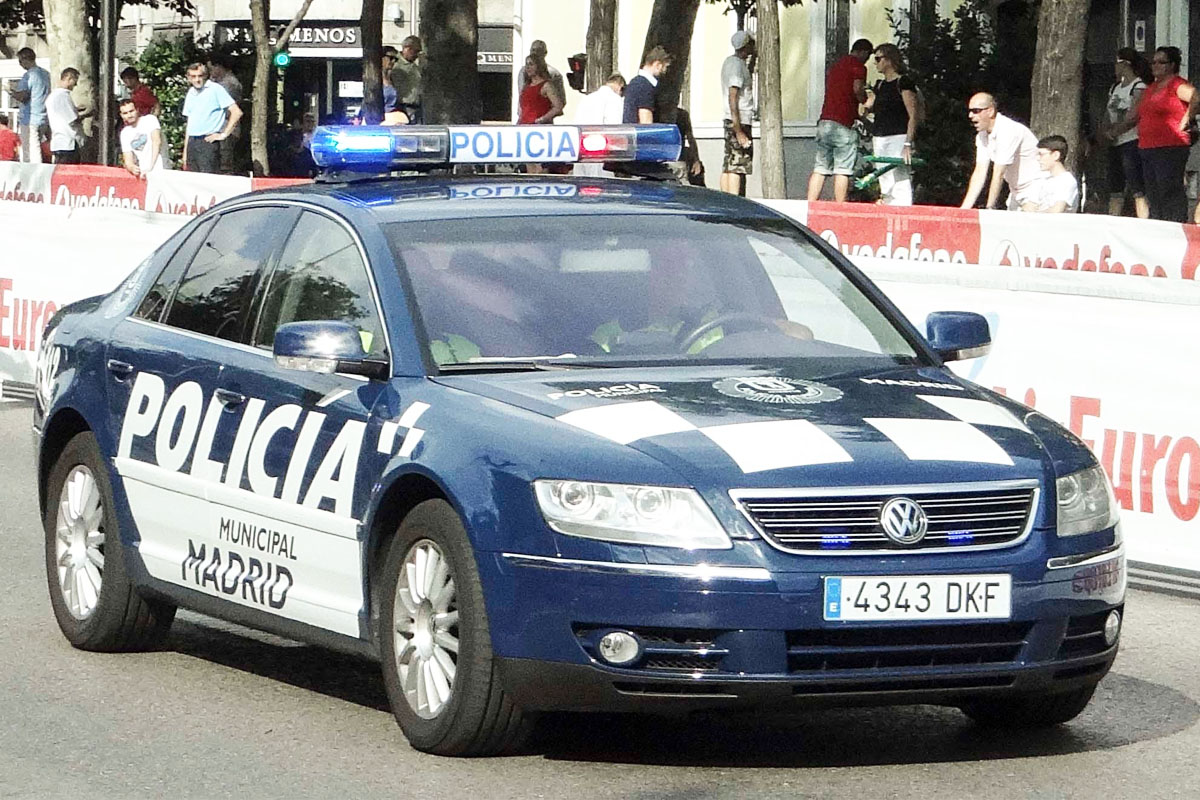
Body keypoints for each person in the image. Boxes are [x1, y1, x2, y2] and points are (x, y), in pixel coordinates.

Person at [1133, 46, 1198, 222]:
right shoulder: (1151, 88)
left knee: (1168, 189)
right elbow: (1136, 114)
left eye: (1161, 62)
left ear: (1172, 65)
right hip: (1147, 146)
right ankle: (1159, 225)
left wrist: (1186, 118)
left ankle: (1175, 225)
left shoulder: (1176, 84)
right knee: (1153, 193)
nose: (1155, 65)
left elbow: (1196, 97)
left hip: (1170, 145)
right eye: (1153, 62)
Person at [808, 38, 872, 202]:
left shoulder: (836, 66)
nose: (868, 60)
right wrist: (866, 101)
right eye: (869, 55)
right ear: (863, 52)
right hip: (843, 124)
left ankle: (810, 204)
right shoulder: (858, 67)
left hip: (825, 121)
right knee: (842, 169)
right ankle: (839, 207)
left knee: (820, 168)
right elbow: (857, 89)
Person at [959, 93, 1044, 210]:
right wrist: (964, 210)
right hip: (1016, 192)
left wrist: (989, 208)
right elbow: (980, 172)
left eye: (976, 111)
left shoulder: (1008, 130)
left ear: (990, 111)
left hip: (1037, 188)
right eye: (970, 111)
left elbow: (998, 173)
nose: (970, 115)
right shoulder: (982, 136)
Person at [864, 43, 918, 205]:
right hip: (879, 136)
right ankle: (888, 207)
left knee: (899, 177)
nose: (876, 63)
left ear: (889, 60)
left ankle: (903, 210)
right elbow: (870, 107)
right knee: (884, 176)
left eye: (878, 59)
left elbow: (913, 114)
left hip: (898, 136)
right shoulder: (880, 85)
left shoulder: (903, 82)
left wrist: (908, 143)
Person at [1102, 48, 1148, 218]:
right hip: (1114, 142)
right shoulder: (1115, 87)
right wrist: (1105, 131)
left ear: (1124, 64)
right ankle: (1113, 218)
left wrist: (1116, 131)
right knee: (1115, 185)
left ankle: (1144, 220)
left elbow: (1133, 115)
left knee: (1136, 186)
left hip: (1131, 140)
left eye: (1116, 63)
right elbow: (1108, 113)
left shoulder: (1139, 86)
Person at [181, 62, 242, 174]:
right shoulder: (191, 92)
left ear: (205, 76)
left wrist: (223, 134)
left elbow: (236, 112)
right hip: (192, 142)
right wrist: (185, 151)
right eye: (193, 77)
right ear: (188, 78)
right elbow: (190, 123)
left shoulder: (215, 89)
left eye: (200, 76)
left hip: (208, 141)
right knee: (192, 179)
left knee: (208, 179)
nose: (197, 80)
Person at [720, 30, 756, 195]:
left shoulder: (731, 62)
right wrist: (738, 130)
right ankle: (733, 199)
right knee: (737, 164)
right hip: (739, 119)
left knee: (729, 162)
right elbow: (733, 96)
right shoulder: (736, 66)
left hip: (733, 119)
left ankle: (725, 198)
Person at [573, 73, 625, 178]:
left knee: (581, 184)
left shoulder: (587, 98)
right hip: (601, 151)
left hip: (581, 150)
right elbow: (615, 128)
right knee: (601, 186)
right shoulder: (614, 99)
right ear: (620, 86)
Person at [7, 48, 51, 164]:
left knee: (30, 150)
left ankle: (31, 175)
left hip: (30, 118)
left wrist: (11, 92)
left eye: (20, 61)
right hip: (43, 117)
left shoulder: (29, 76)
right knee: (36, 147)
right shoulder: (46, 74)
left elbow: (23, 96)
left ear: (26, 59)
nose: (20, 64)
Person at [1020, 135, 1078, 213]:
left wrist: (1036, 213)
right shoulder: (1042, 179)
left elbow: (1056, 211)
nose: (1038, 158)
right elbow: (1028, 206)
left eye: (1041, 154)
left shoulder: (1067, 181)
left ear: (1055, 155)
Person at [46, 68, 89, 164]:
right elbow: (72, 120)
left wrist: (75, 109)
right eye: (75, 81)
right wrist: (88, 114)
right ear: (69, 78)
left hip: (58, 142)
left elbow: (63, 112)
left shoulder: (52, 96)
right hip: (68, 143)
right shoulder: (63, 96)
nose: (76, 85)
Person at [208, 57, 243, 173]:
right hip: (220, 127)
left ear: (219, 67)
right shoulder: (220, 83)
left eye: (212, 68)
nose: (211, 72)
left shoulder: (229, 84)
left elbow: (226, 107)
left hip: (226, 127)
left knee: (224, 162)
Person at [118, 99, 167, 179]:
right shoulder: (125, 133)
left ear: (137, 110)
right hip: (143, 173)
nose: (129, 115)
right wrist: (131, 167)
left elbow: (156, 142)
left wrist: (151, 168)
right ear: (122, 115)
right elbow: (128, 159)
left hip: (161, 168)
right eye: (125, 113)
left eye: (131, 111)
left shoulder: (150, 120)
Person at [623, 46, 672, 124]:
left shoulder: (634, 82)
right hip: (640, 135)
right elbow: (646, 123)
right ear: (658, 65)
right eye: (665, 67)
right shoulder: (645, 87)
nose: (665, 71)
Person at [518, 40, 566, 113]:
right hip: (525, 116)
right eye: (533, 50)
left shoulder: (554, 73)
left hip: (543, 117)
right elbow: (521, 93)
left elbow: (561, 100)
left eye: (538, 50)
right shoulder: (523, 71)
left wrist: (546, 116)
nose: (535, 53)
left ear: (545, 53)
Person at [390, 35, 423, 124]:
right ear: (407, 49)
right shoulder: (396, 65)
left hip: (416, 107)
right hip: (403, 107)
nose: (416, 55)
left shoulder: (414, 66)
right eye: (415, 51)